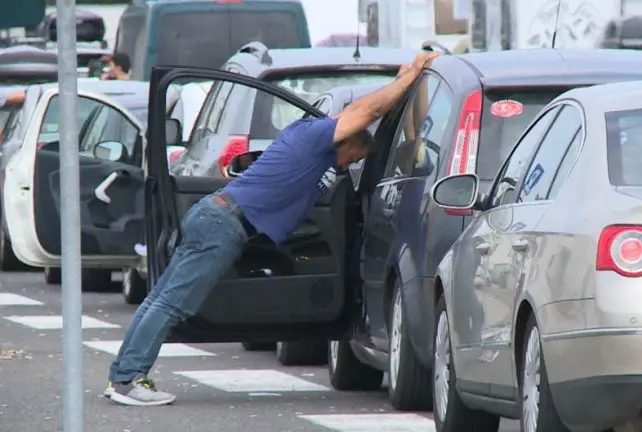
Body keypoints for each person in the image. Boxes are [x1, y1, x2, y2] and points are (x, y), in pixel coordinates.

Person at [104, 50, 440, 407]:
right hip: (223, 224)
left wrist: (406, 86)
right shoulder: (316, 139)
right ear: (344, 139)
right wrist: (410, 76)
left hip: (216, 216)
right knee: (172, 304)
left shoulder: (314, 145)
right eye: (354, 158)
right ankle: (128, 379)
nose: (351, 165)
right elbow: (365, 112)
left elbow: (356, 126)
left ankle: (123, 374)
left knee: (161, 299)